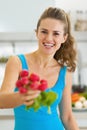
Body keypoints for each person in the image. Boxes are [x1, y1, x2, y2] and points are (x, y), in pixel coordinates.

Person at [0, 7, 79, 130]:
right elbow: (1, 101)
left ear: (64, 38)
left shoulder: (65, 72)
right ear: (36, 32)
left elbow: (67, 117)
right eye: (44, 31)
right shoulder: (17, 62)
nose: (48, 38)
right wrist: (23, 96)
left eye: (56, 33)